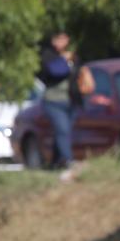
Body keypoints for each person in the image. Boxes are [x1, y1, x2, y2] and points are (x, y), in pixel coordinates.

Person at [35, 30, 87, 175]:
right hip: (54, 101)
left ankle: (55, 163)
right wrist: (64, 60)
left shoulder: (71, 56)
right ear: (53, 40)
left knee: (64, 132)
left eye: (65, 38)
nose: (64, 41)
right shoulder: (47, 55)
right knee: (62, 130)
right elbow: (55, 72)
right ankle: (69, 161)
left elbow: (78, 72)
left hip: (71, 100)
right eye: (60, 39)